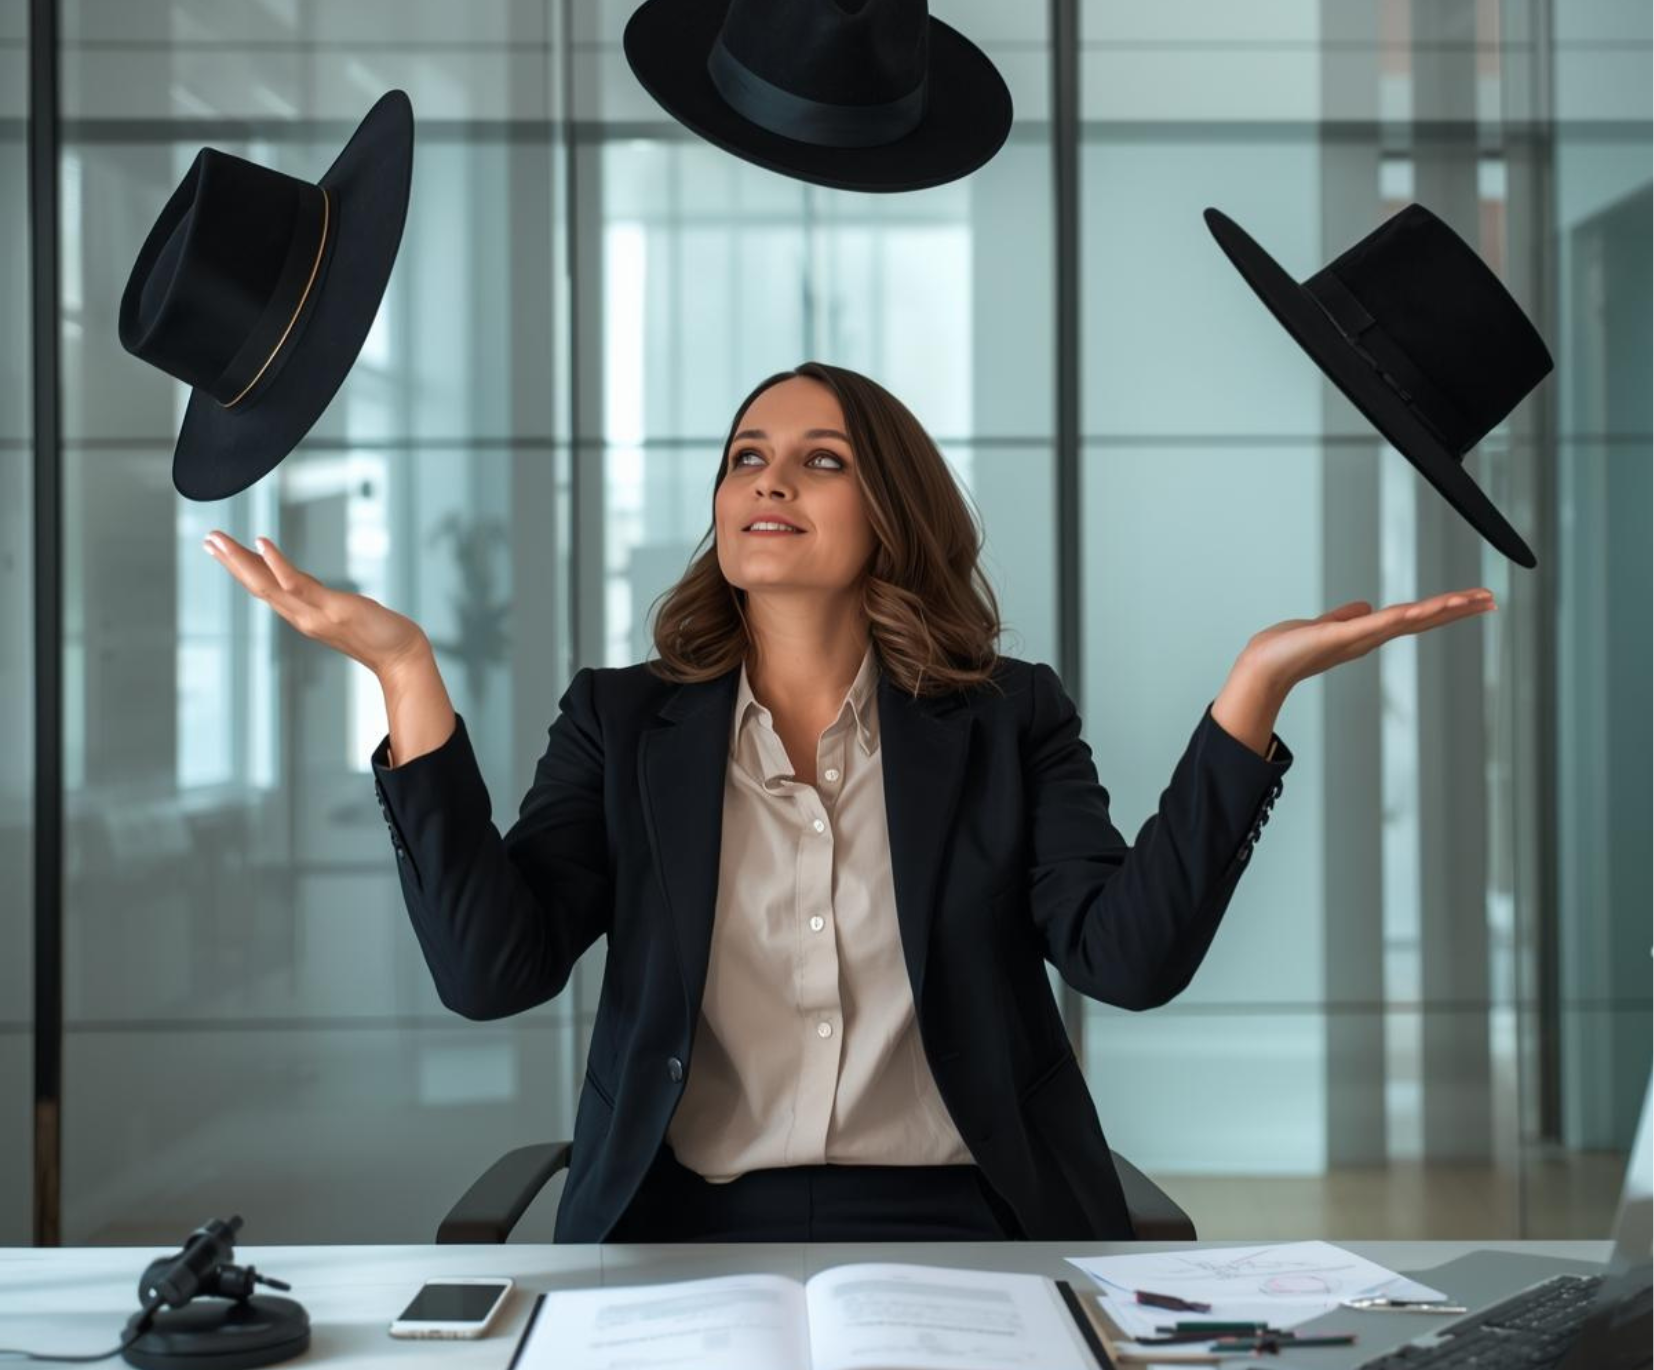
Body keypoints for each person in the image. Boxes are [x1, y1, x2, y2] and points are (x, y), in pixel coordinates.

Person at [203, 360, 1495, 1243]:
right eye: (747, 457)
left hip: (971, 1232)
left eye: (818, 460)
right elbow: (494, 969)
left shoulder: (1007, 716)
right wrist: (402, 670)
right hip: (686, 1234)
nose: (769, 481)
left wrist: (1250, 692)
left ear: (890, 510)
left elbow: (1127, 956)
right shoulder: (621, 721)